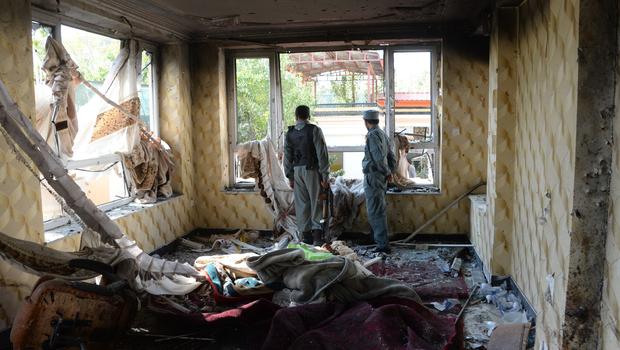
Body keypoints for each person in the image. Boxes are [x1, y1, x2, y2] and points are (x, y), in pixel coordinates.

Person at [283, 105, 330, 245]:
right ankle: (317, 237)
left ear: (296, 116)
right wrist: (325, 176)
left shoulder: (289, 133)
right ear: (308, 116)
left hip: (297, 172)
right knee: (316, 202)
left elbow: (287, 157)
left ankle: (306, 237)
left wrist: (290, 176)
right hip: (312, 170)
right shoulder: (314, 130)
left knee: (301, 204)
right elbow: (322, 155)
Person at [362, 110, 396, 254]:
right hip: (381, 177)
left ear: (366, 121)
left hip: (374, 177)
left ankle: (382, 245)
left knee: (375, 211)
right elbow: (391, 156)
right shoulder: (382, 134)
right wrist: (390, 172)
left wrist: (387, 173)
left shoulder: (372, 136)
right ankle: (377, 238)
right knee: (378, 209)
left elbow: (378, 158)